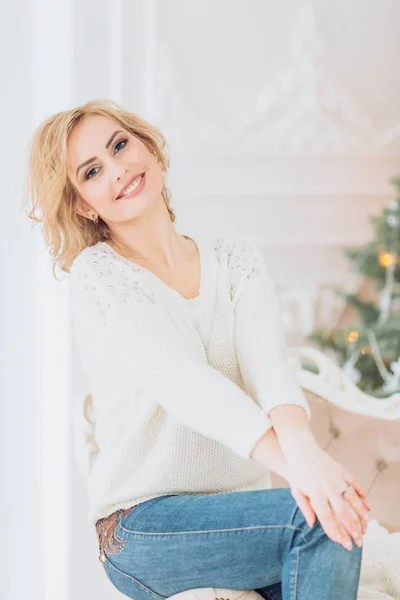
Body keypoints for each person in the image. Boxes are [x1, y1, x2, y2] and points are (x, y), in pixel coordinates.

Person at [26, 99, 370, 600]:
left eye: (120, 145)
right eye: (93, 171)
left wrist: (305, 452)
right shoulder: (99, 277)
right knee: (320, 518)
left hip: (243, 516)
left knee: (334, 516)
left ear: (150, 147)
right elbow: (188, 387)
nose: (119, 170)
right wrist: (301, 471)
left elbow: (269, 368)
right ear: (83, 203)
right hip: (142, 526)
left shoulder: (234, 257)